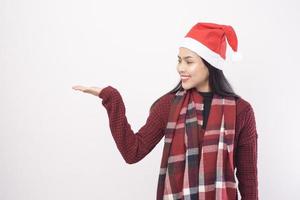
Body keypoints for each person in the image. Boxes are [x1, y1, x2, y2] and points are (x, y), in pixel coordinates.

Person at [72, 22, 258, 200]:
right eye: (179, 61)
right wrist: (112, 98)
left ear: (210, 63)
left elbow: (248, 180)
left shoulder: (241, 111)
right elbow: (132, 152)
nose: (180, 68)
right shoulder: (168, 106)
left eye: (189, 61)